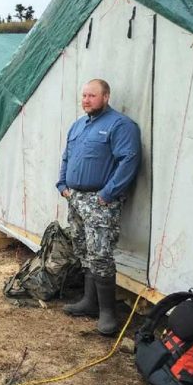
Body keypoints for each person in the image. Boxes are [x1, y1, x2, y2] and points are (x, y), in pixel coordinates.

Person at [57, 79, 141, 335]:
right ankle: (89, 301)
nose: (86, 100)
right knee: (82, 248)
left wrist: (108, 194)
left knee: (100, 253)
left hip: (99, 201)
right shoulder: (78, 126)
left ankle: (108, 314)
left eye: (92, 95)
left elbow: (129, 160)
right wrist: (62, 184)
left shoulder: (120, 125)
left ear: (105, 97)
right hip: (76, 199)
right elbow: (67, 156)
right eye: (83, 95)